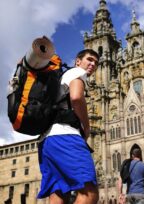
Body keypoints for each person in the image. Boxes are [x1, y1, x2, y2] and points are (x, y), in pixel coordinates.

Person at [37, 49, 100, 203]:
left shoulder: (60, 79)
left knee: (58, 194)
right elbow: (76, 97)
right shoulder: (77, 72)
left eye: (96, 63)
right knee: (89, 192)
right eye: (89, 59)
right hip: (65, 137)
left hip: (47, 142)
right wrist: (86, 126)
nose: (93, 64)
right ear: (77, 61)